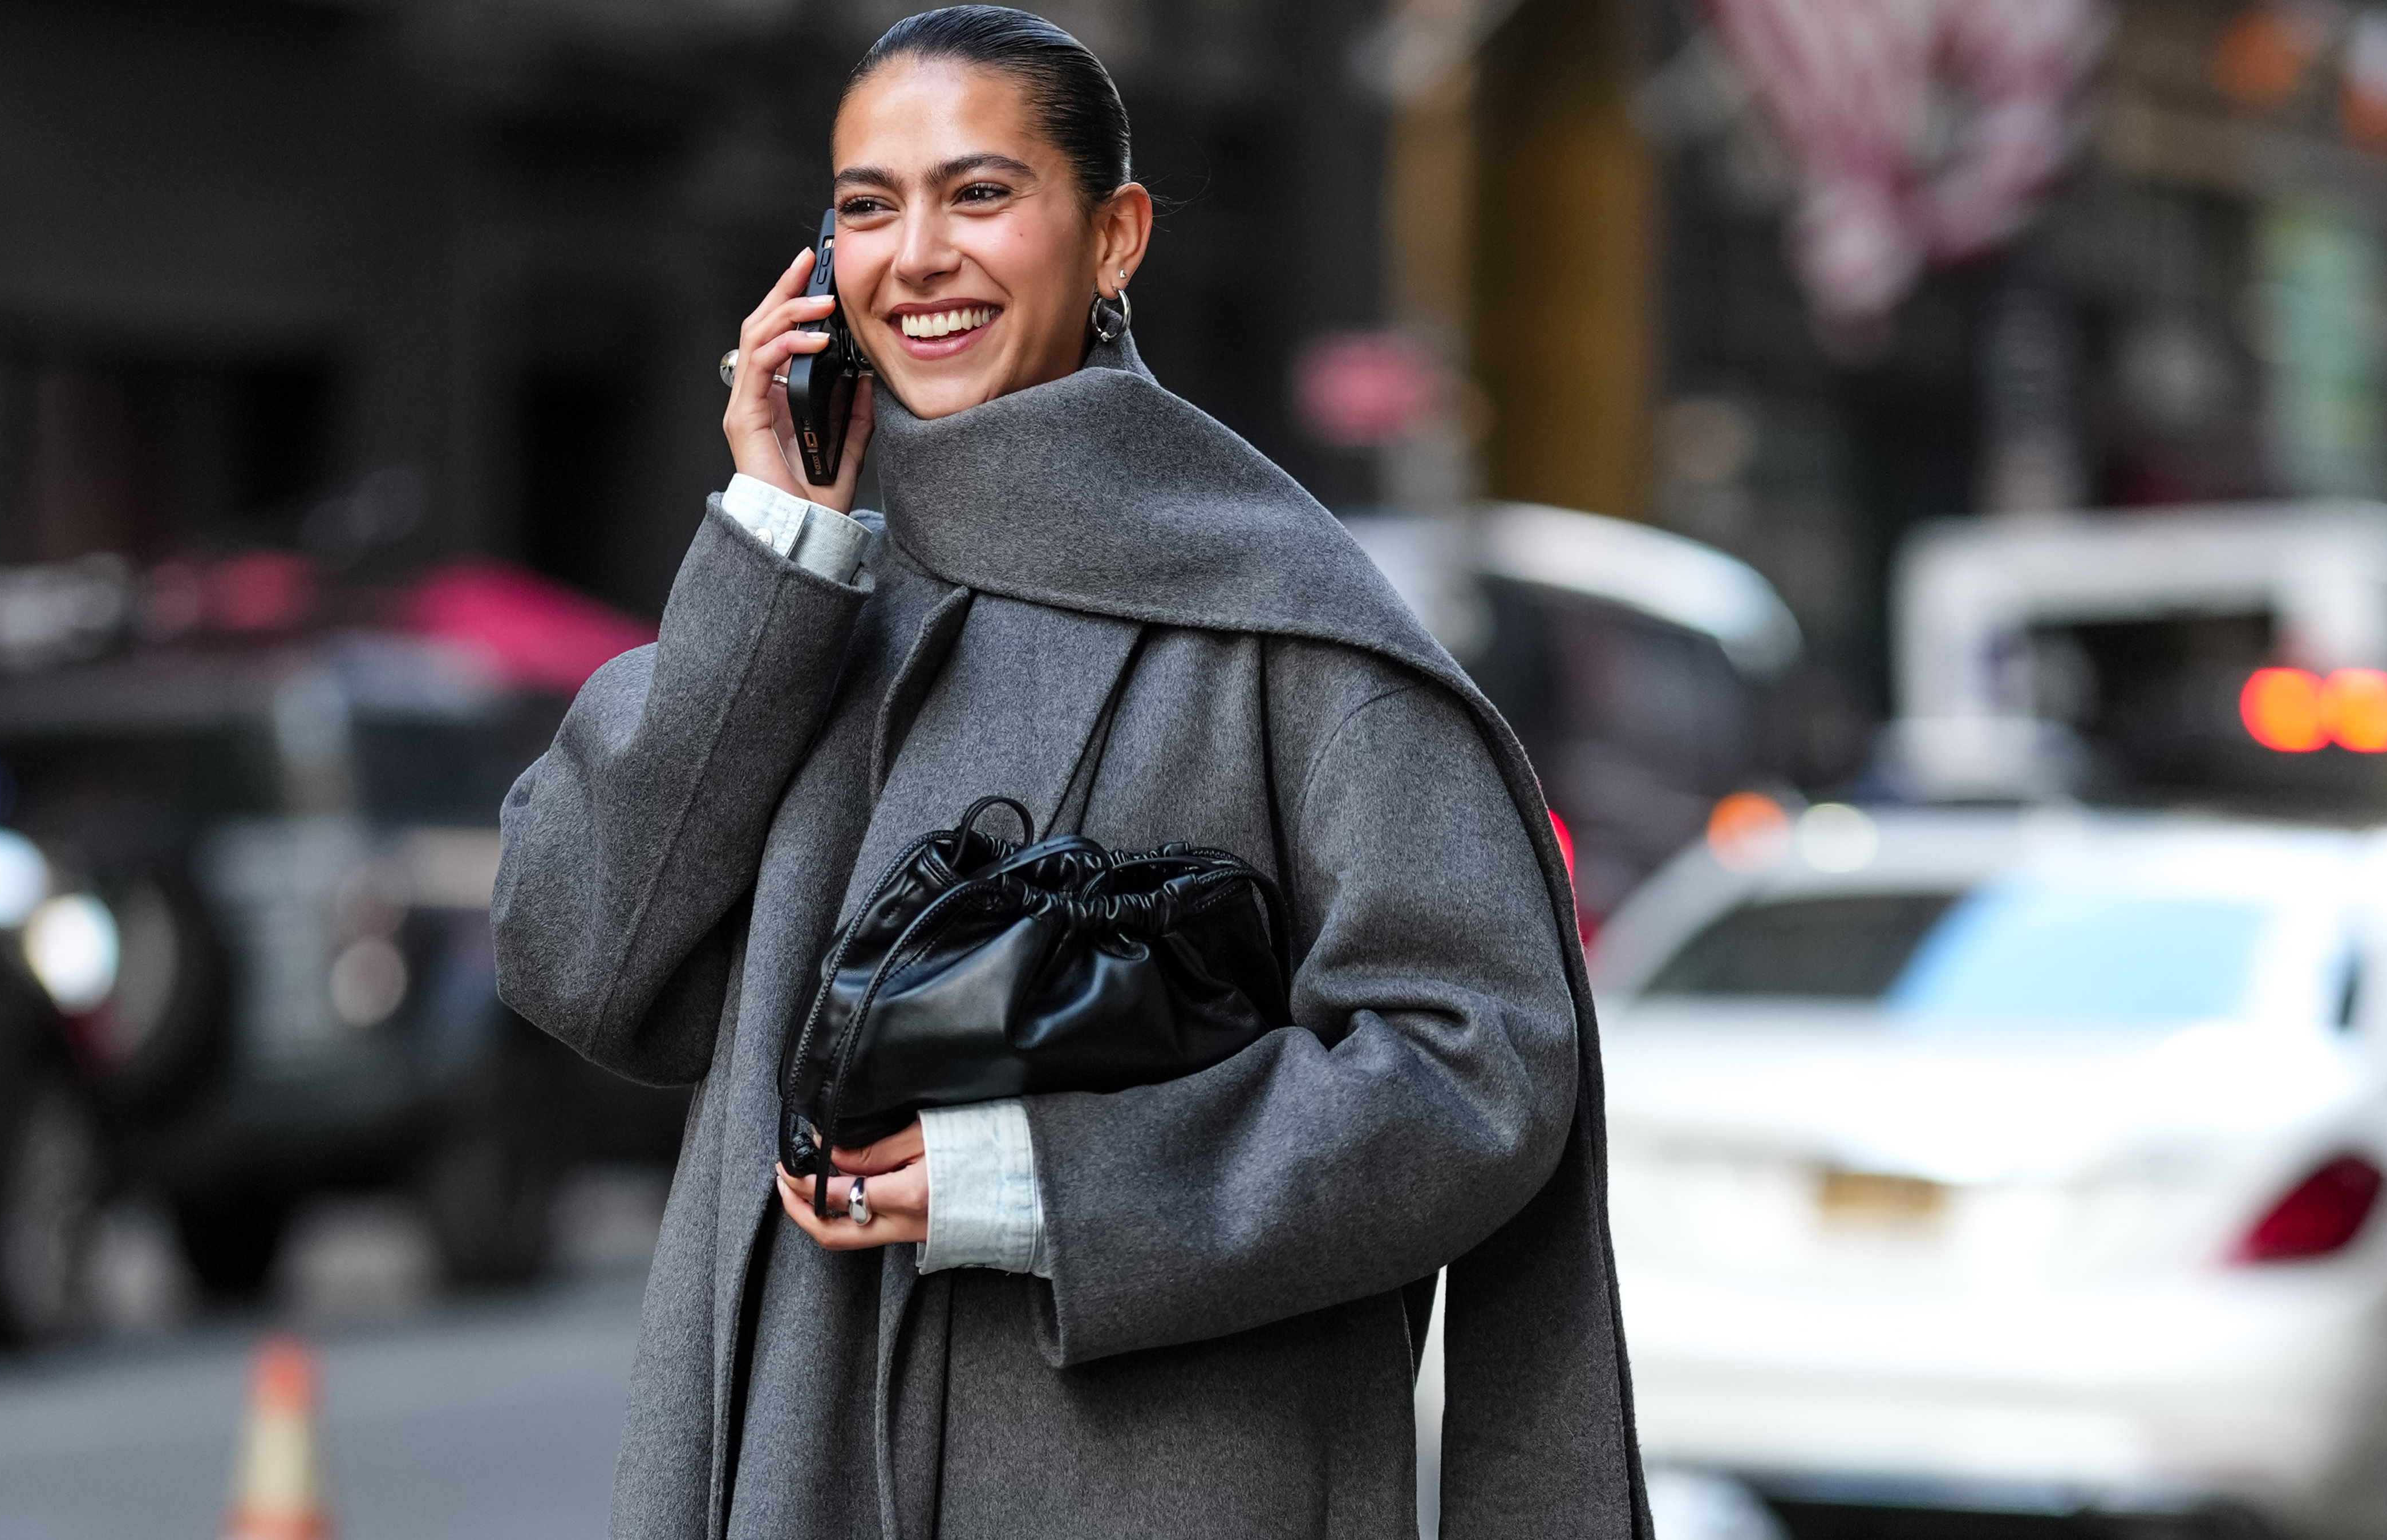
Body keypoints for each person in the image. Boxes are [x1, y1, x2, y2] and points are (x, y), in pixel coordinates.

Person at [491, 9, 1647, 1537]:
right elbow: (579, 953)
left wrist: (1050, 1182)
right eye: (864, 206)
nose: (915, 256)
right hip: (796, 1469)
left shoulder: (1290, 624)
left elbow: (1479, 1063)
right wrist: (771, 536)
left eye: (979, 195)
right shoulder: (812, 597)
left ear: (1114, 237)